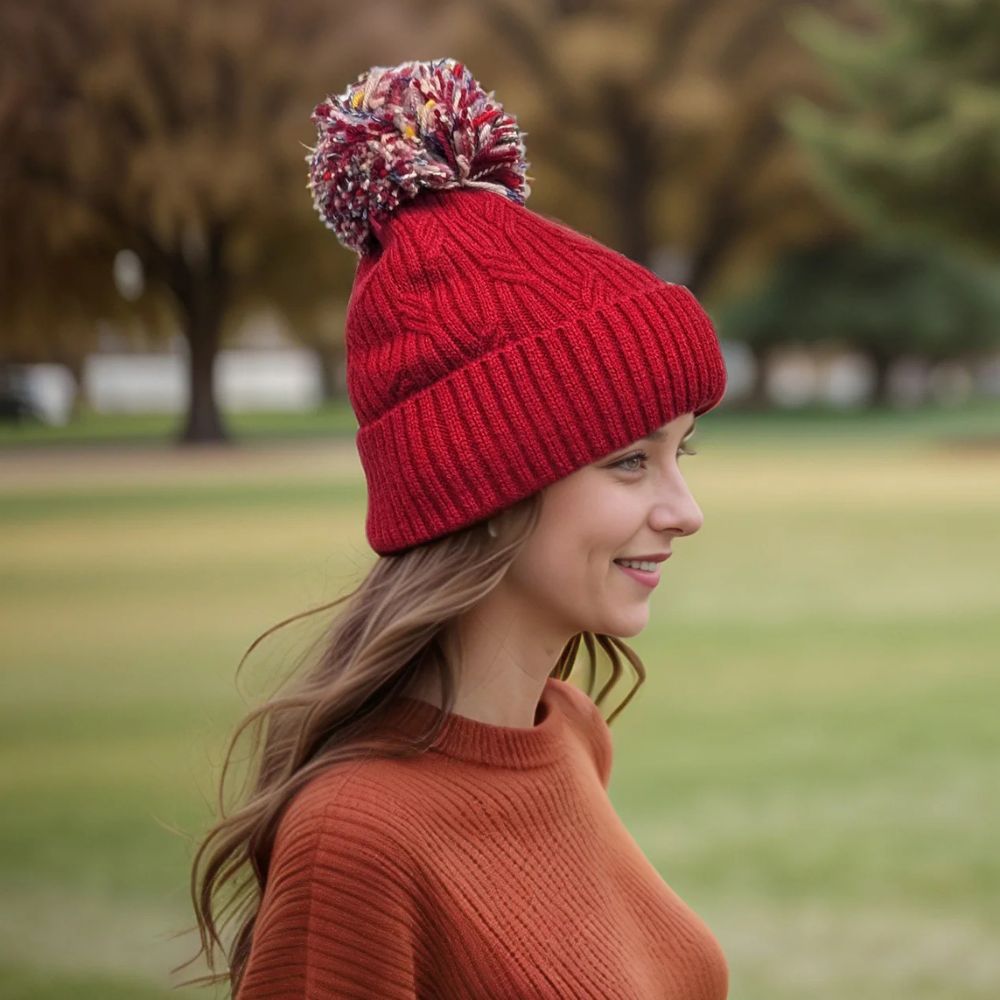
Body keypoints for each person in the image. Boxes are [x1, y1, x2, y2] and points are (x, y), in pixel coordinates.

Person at [181, 57, 730, 999]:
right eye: (629, 460)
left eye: (683, 452)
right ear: (484, 485)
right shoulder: (357, 841)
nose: (687, 511)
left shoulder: (569, 732)